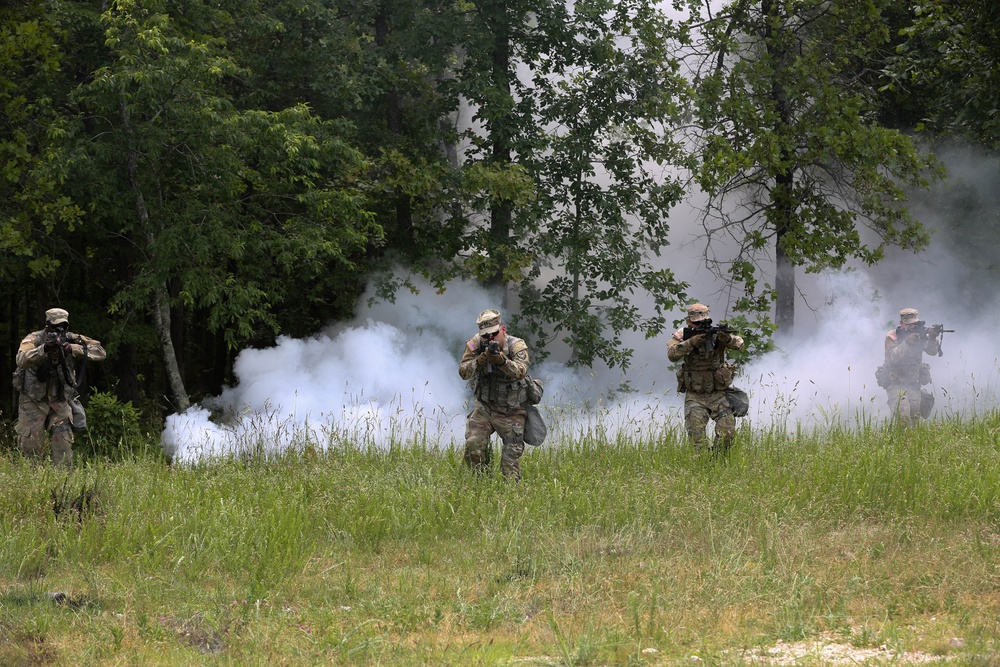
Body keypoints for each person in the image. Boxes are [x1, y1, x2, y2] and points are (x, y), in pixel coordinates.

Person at [14, 308, 106, 466]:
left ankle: (62, 485)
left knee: (63, 444)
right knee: (31, 447)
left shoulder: (72, 338)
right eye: (56, 327)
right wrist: (44, 349)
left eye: (63, 327)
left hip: (59, 400)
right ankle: (32, 484)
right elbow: (21, 359)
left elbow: (100, 352)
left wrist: (73, 348)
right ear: (47, 325)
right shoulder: (34, 338)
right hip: (33, 400)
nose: (60, 331)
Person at [457, 309, 531, 480]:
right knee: (473, 445)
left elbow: (521, 371)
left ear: (502, 329)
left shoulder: (516, 345)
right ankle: (481, 483)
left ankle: (512, 495)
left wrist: (502, 360)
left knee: (510, 462)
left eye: (494, 334)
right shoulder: (475, 344)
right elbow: (463, 372)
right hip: (485, 407)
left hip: (511, 410)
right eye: (485, 336)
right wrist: (481, 360)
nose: (490, 339)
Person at [667, 303, 744, 455]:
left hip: (717, 393)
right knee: (696, 439)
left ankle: (717, 461)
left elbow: (739, 344)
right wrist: (691, 342)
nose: (699, 325)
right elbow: (672, 354)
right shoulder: (683, 334)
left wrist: (727, 339)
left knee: (727, 431)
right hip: (695, 394)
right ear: (689, 321)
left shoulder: (717, 334)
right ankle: (701, 466)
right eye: (696, 323)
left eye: (702, 321)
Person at [883, 307, 940, 426]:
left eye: (914, 324)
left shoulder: (920, 335)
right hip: (896, 384)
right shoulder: (892, 336)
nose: (912, 327)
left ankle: (909, 443)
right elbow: (891, 358)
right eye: (909, 325)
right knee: (902, 420)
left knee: (914, 422)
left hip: (914, 384)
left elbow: (932, 352)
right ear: (901, 323)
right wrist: (907, 342)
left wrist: (933, 338)